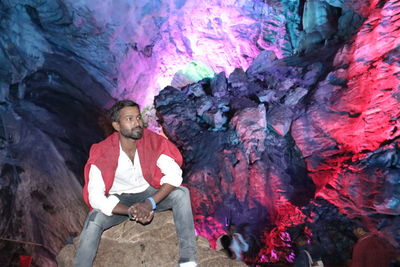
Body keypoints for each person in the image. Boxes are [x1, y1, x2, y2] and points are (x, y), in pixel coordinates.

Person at [74, 100, 197, 267]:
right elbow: (95, 196)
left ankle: (188, 260)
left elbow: (174, 175)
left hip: (148, 193)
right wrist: (130, 210)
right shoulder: (102, 151)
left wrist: (149, 202)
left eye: (138, 117)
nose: (137, 123)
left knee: (181, 194)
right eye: (129, 119)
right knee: (94, 219)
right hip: (119, 200)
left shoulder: (153, 141)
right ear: (116, 125)